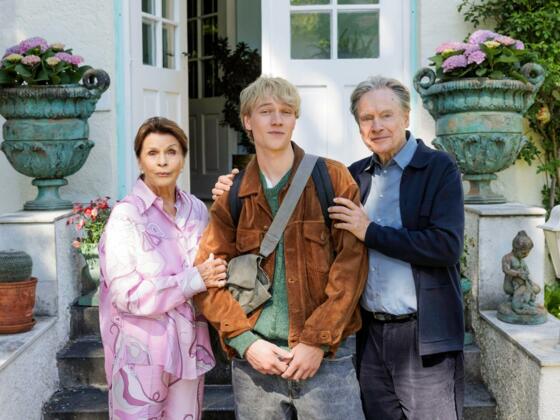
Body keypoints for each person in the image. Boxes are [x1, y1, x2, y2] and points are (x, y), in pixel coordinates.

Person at [213, 76, 465, 420]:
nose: (377, 126)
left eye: (386, 115)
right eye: (367, 118)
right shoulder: (355, 174)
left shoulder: (437, 168)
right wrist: (231, 187)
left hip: (420, 334)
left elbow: (446, 246)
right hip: (370, 336)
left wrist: (369, 231)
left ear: (406, 117)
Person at [194, 76, 368, 420]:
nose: (277, 120)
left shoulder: (332, 178)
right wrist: (246, 343)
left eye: (286, 112)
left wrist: (316, 341)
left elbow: (351, 268)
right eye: (266, 111)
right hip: (257, 363)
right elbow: (208, 279)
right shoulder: (232, 195)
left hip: (327, 359)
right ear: (247, 121)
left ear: (294, 120)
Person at [98, 117, 228, 419]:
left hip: (190, 351)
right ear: (140, 160)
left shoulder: (196, 209)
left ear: (183, 158)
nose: (162, 162)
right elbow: (127, 295)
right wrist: (193, 280)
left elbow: (214, 265)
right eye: (152, 153)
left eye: (171, 152)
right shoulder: (126, 217)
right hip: (140, 354)